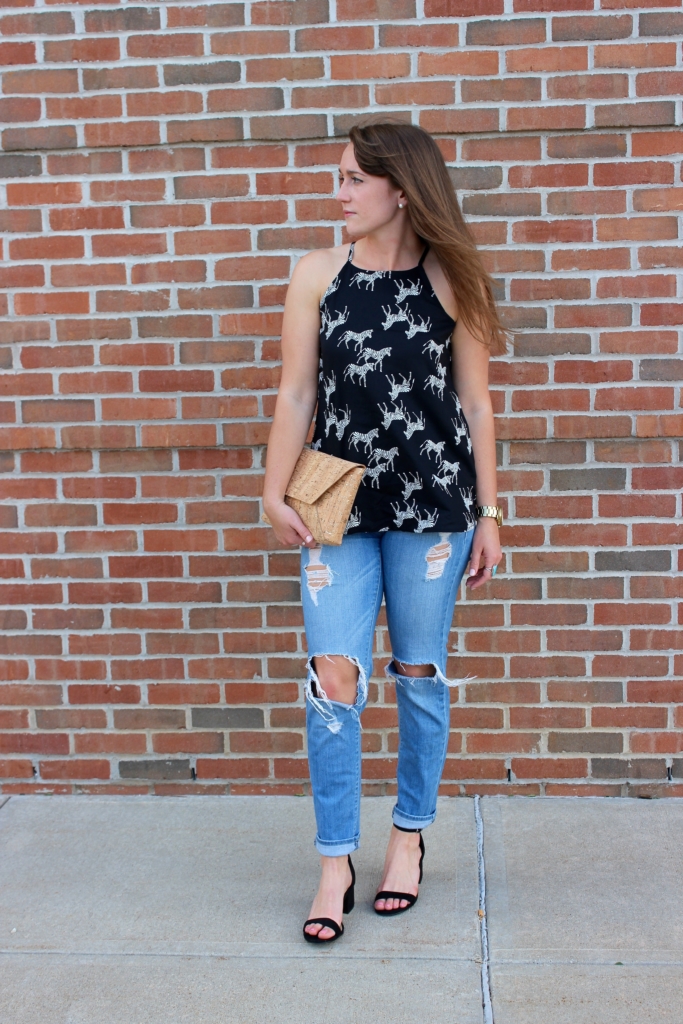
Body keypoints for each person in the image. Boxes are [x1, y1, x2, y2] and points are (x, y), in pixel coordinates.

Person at [262, 121, 505, 943]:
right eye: (337, 178)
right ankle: (336, 861)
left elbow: (474, 405)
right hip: (333, 498)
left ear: (399, 189)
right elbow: (297, 393)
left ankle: (407, 840)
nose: (337, 193)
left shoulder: (451, 280)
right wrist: (273, 490)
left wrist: (490, 512)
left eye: (350, 180)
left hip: (431, 503)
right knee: (333, 675)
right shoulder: (316, 275)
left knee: (418, 671)